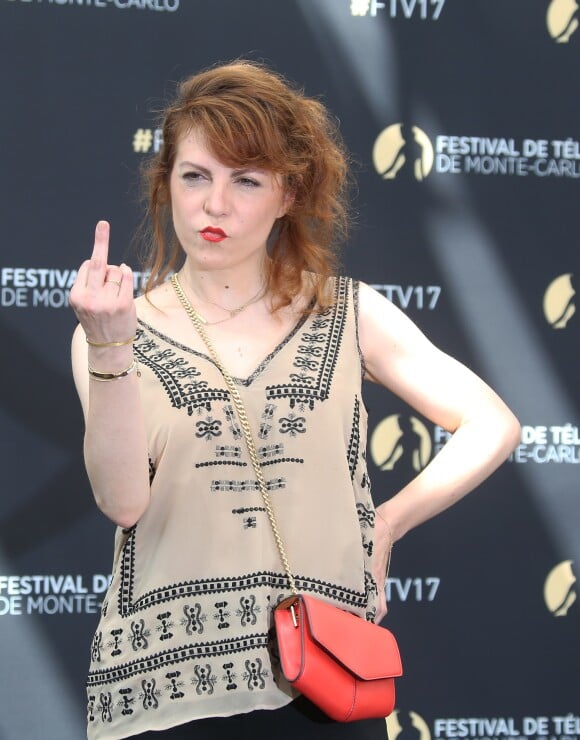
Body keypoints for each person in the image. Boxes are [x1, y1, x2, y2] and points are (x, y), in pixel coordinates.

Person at [69, 60, 520, 740]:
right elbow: (124, 502)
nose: (214, 205)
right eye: (195, 176)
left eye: (245, 180)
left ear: (287, 194)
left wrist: (388, 524)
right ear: (167, 186)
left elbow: (494, 422)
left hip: (325, 680)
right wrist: (107, 349)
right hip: (168, 694)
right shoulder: (114, 331)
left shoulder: (348, 312)